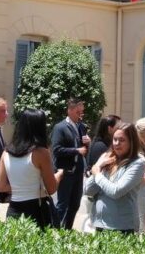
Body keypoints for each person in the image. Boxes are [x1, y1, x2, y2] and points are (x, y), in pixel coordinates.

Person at [0, 108, 61, 228]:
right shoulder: (41, 153)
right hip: (36, 210)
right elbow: (51, 188)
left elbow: (0, 186)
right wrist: (59, 175)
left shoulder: (6, 152)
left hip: (13, 210)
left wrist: (20, 187)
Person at [85, 122, 145, 233]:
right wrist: (99, 165)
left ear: (131, 142)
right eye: (115, 139)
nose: (117, 143)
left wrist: (97, 174)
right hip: (100, 224)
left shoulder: (138, 162)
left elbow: (116, 191)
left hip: (122, 226)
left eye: (122, 140)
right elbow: (87, 190)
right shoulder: (108, 158)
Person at [52, 98, 90, 229]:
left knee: (75, 204)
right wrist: (76, 150)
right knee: (62, 204)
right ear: (70, 110)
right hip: (66, 172)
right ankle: (55, 231)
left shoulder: (81, 126)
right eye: (78, 111)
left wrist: (87, 143)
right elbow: (56, 150)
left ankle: (67, 231)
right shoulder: (60, 127)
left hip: (78, 172)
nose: (81, 114)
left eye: (82, 112)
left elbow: (84, 151)